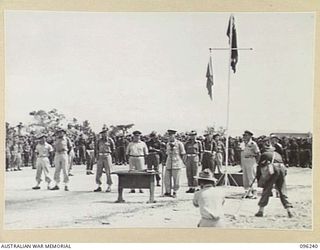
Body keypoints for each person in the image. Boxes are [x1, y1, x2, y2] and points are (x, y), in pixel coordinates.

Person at [255, 142, 293, 218]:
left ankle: (261, 211)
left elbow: (260, 168)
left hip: (272, 169)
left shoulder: (264, 154)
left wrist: (258, 179)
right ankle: (289, 210)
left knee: (267, 189)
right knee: (282, 190)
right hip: (282, 168)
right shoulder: (277, 154)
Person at [163, 129, 185, 198]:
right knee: (166, 178)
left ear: (174, 135)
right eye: (169, 135)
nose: (170, 136)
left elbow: (183, 154)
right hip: (169, 162)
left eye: (171, 135)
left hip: (176, 162)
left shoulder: (179, 143)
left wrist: (182, 162)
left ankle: (175, 192)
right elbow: (167, 153)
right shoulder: (167, 144)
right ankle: (168, 191)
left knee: (176, 179)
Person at [94, 128, 115, 192]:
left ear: (107, 133)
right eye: (103, 133)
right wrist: (96, 157)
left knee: (108, 171)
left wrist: (112, 157)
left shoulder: (110, 140)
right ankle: (99, 185)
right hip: (100, 156)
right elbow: (96, 149)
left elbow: (113, 149)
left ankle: (109, 186)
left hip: (107, 155)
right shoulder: (99, 141)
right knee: (98, 172)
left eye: (105, 133)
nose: (104, 134)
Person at [241, 130, 260, 198]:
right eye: (243, 135)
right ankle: (247, 192)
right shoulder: (243, 143)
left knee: (251, 176)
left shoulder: (253, 144)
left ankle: (254, 192)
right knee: (245, 177)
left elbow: (258, 153)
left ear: (250, 136)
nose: (244, 137)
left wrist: (257, 162)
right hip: (244, 160)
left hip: (251, 160)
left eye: (246, 135)